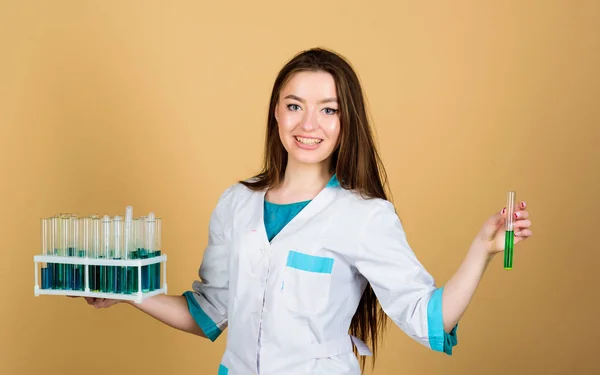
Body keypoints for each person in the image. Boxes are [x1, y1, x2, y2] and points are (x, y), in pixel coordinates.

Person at [83, 48, 533, 375]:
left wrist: (482, 250)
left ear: (345, 121)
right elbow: (209, 313)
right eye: (294, 106)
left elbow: (428, 317)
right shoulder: (235, 204)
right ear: (275, 114)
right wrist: (129, 293)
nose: (308, 125)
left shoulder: (364, 217)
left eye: (328, 110)